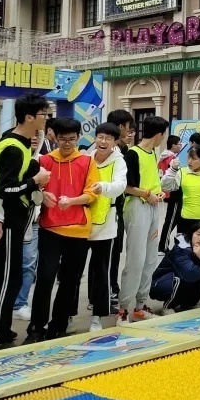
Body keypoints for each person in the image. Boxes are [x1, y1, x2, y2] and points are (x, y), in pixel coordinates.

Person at [25, 118, 96, 343]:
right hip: (50, 228)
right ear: (54, 137)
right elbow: (34, 188)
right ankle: (36, 328)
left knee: (70, 280)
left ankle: (58, 325)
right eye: (63, 139)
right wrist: (42, 195)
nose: (67, 144)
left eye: (72, 139)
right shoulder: (44, 160)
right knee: (44, 279)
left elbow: (93, 193)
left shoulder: (86, 161)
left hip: (78, 230)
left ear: (78, 138)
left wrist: (73, 201)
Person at [0, 95, 51, 347]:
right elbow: (7, 189)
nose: (46, 119)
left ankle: (2, 328)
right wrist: (35, 183)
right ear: (29, 117)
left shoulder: (23, 143)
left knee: (14, 277)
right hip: (9, 221)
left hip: (17, 220)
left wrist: (40, 188)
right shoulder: (12, 147)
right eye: (43, 114)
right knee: (8, 278)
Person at [118, 115, 169, 324]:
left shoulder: (153, 153)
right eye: (163, 135)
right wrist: (147, 195)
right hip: (137, 208)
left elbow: (152, 181)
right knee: (136, 260)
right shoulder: (133, 154)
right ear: (158, 134)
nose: (163, 138)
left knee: (149, 260)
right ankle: (123, 309)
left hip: (153, 207)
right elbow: (127, 187)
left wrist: (157, 194)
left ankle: (140, 306)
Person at [86, 123, 127, 332]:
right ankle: (65, 314)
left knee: (102, 271)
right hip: (81, 221)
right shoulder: (85, 158)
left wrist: (103, 187)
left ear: (115, 142)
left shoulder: (118, 162)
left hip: (107, 223)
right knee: (73, 271)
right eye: (100, 137)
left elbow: (120, 186)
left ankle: (97, 317)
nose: (103, 142)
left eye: (108, 139)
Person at [150, 222, 200, 312]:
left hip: (188, 276)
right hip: (160, 283)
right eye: (198, 234)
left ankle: (189, 304)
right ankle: (168, 306)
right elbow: (190, 274)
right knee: (182, 278)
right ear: (191, 233)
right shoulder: (180, 248)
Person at [12, 131, 44, 323]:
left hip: (34, 220)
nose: (34, 137)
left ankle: (20, 303)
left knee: (29, 263)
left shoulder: (43, 160)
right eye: (31, 134)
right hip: (12, 219)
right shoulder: (13, 156)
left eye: (37, 135)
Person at [105, 110, 134, 311]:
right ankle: (106, 293)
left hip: (117, 209)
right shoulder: (112, 153)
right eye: (128, 128)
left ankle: (110, 290)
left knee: (114, 253)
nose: (130, 132)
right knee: (108, 255)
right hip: (108, 210)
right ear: (121, 127)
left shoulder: (122, 150)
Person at [158, 135, 184, 254]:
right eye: (179, 143)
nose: (181, 146)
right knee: (171, 220)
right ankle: (163, 246)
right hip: (173, 191)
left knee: (174, 218)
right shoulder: (172, 158)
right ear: (173, 145)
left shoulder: (163, 156)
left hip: (167, 191)